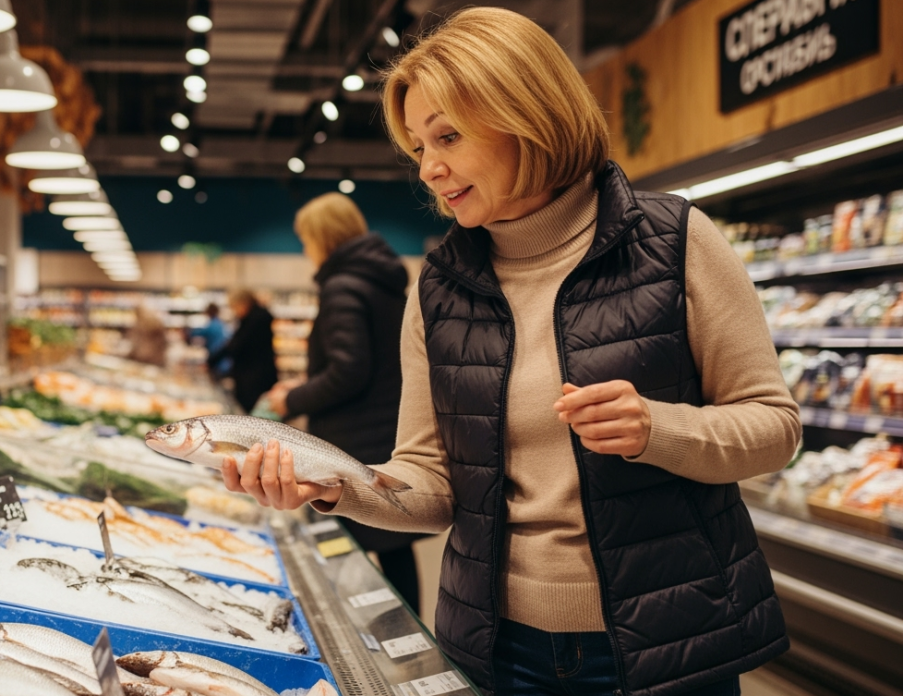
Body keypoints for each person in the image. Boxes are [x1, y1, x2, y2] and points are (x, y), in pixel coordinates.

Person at [219, 8, 801, 696]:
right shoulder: (439, 286)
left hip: (666, 647)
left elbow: (774, 427)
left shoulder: (674, 242)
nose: (429, 169)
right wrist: (339, 488)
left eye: (449, 136)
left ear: (526, 114)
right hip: (498, 652)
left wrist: (657, 428)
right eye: (417, 147)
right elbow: (430, 482)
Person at [262, 192, 426, 612]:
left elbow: (349, 370)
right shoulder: (381, 281)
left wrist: (292, 398)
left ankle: (364, 631)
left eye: (306, 240)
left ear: (322, 237)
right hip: (383, 425)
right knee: (393, 543)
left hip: (353, 435)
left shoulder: (342, 286)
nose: (305, 250)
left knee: (346, 535)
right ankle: (406, 638)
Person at [208, 289, 277, 413]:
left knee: (252, 414)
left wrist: (212, 361)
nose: (235, 311)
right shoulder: (254, 318)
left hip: (254, 379)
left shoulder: (254, 320)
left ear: (243, 303)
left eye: (235, 307)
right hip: (255, 376)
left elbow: (235, 345)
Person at [193, 303, 231, 375]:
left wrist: (188, 332)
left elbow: (199, 332)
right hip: (225, 360)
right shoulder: (221, 324)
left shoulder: (212, 325)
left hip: (218, 360)